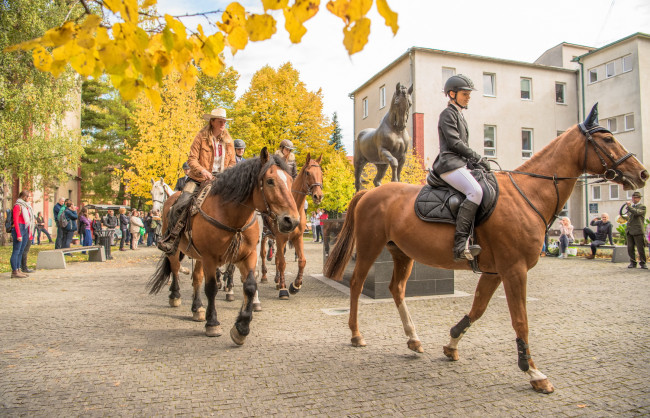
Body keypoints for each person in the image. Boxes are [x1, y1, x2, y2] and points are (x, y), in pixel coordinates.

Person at [158, 107, 236, 255]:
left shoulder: (229, 141)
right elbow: (192, 159)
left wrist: (226, 174)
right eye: (220, 121)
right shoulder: (201, 137)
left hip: (222, 180)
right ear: (212, 122)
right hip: (199, 178)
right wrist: (203, 171)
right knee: (181, 203)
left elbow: (232, 162)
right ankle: (171, 238)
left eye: (224, 121)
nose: (223, 124)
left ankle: (238, 238)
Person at [432, 75, 491, 261]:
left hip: (460, 163)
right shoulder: (447, 114)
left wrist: (475, 163)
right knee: (475, 191)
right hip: (449, 164)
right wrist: (477, 157)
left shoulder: (459, 115)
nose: (468, 97)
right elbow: (455, 143)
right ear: (452, 94)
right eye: (464, 94)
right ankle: (459, 245)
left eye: (469, 94)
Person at [10, 191, 34, 278]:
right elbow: (16, 221)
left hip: (25, 229)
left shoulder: (26, 206)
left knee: (21, 251)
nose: (29, 199)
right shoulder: (18, 206)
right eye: (29, 197)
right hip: (19, 229)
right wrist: (18, 234)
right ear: (24, 197)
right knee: (16, 251)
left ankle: (19, 269)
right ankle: (14, 271)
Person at [621, 191, 647, 269]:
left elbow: (636, 213)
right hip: (630, 230)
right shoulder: (631, 208)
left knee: (640, 248)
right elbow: (629, 217)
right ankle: (632, 262)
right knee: (630, 248)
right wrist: (623, 217)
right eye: (633, 197)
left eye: (635, 197)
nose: (633, 199)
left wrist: (629, 207)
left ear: (639, 199)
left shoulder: (642, 207)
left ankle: (643, 263)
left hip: (638, 230)